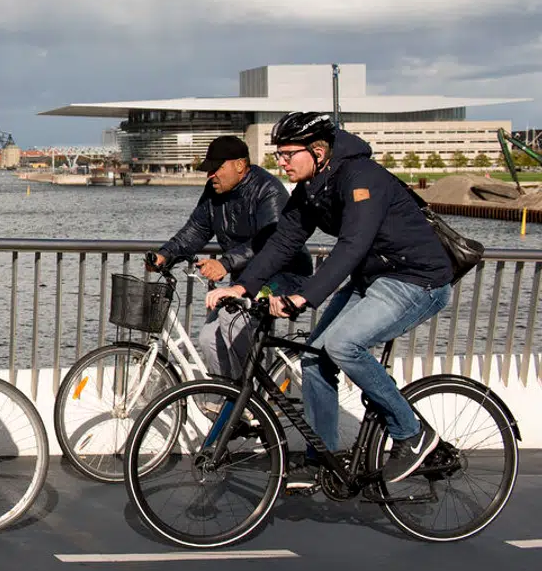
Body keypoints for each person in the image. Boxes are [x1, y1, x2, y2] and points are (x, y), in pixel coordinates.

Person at [208, 112, 454, 484]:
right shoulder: (310, 188)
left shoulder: (361, 178)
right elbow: (282, 242)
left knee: (342, 345)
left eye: (289, 154)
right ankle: (322, 454)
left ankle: (412, 433)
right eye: (279, 155)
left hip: (416, 280)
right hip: (373, 279)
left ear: (318, 150)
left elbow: (353, 246)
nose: (282, 162)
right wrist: (242, 286)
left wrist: (303, 298)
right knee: (313, 359)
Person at [148, 135, 312, 380]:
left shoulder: (268, 190)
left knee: (231, 319)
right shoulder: (214, 191)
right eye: (208, 170)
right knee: (207, 338)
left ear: (239, 165)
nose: (210, 175)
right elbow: (197, 229)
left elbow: (271, 241)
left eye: (216, 169)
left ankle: (252, 396)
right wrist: (165, 254)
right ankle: (225, 403)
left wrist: (225, 263)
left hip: (285, 276)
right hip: (246, 279)